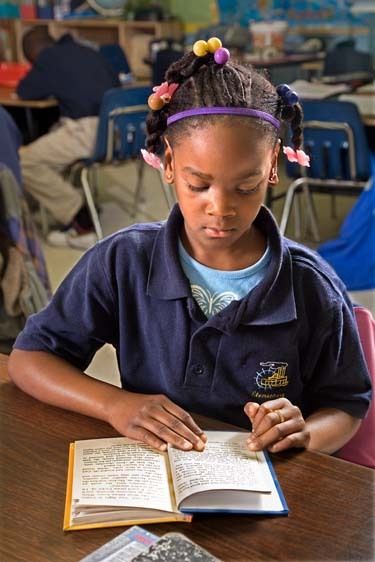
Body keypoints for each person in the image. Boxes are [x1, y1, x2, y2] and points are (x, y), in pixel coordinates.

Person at [9, 38, 371, 456]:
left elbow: (346, 403)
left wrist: (305, 434)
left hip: (269, 490)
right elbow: (29, 359)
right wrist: (115, 404)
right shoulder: (123, 261)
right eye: (198, 185)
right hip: (153, 479)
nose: (220, 208)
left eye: (246, 186)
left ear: (272, 165)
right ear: (167, 164)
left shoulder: (310, 285)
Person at [17, 26, 120, 249]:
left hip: (88, 132)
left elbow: (25, 91)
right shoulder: (89, 51)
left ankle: (80, 220)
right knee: (55, 133)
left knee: (25, 161)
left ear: (33, 54)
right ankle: (75, 202)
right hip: (119, 131)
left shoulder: (48, 59)